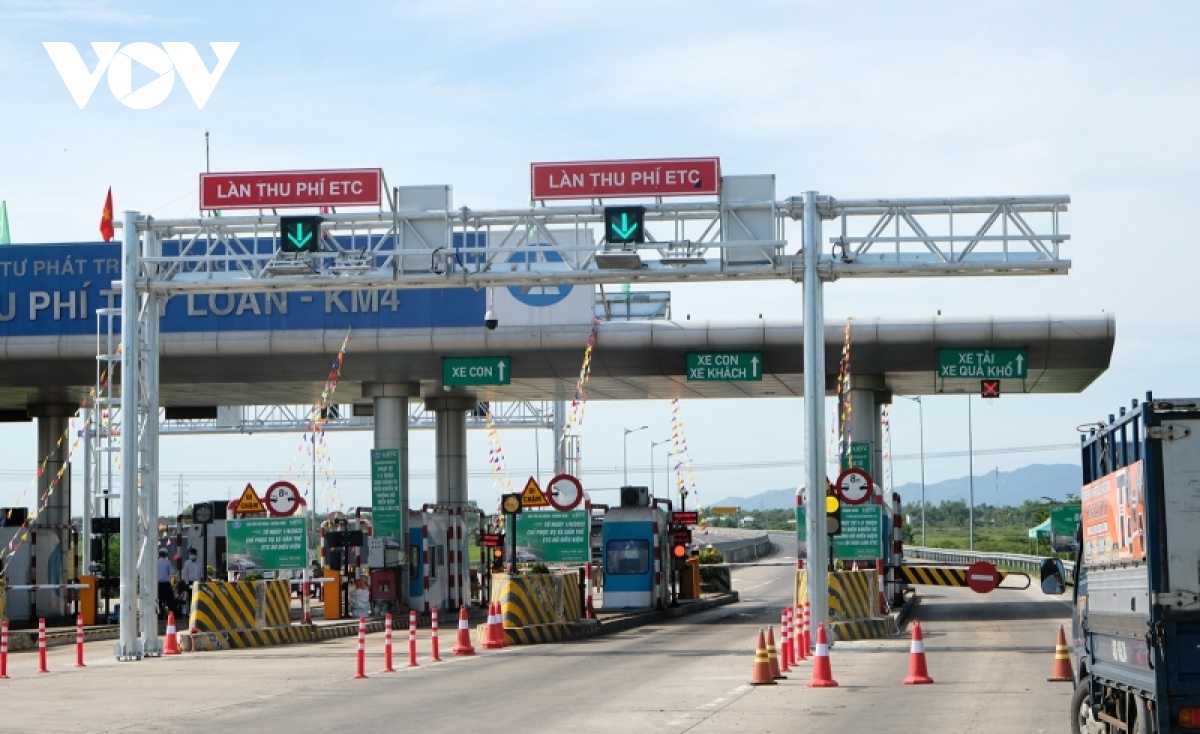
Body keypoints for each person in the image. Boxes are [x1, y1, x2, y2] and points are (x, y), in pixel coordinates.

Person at [156, 548, 174, 617]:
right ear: (166, 554)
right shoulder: (167, 562)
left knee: (158, 600)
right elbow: (172, 572)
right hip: (166, 584)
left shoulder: (155, 562)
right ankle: (171, 614)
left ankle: (159, 614)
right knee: (170, 600)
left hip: (157, 584)